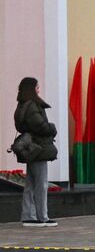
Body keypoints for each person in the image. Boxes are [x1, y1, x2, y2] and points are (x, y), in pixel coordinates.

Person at [13, 77, 58, 228]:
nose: (39, 88)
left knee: (30, 183)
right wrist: (52, 128)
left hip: (30, 148)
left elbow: (22, 126)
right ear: (32, 88)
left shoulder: (22, 105)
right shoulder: (32, 105)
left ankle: (28, 216)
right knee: (41, 183)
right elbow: (41, 126)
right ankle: (42, 217)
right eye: (37, 86)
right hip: (39, 148)